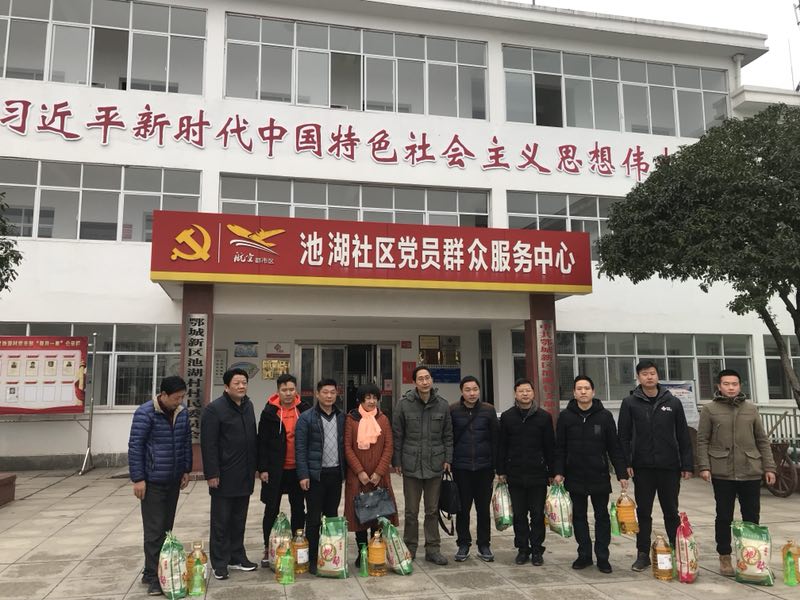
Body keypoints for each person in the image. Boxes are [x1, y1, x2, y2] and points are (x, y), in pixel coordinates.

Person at [696, 368, 776, 577]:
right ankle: (724, 556)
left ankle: (752, 559)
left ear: (740, 386)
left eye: (734, 384)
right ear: (719, 386)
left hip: (750, 470)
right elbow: (702, 440)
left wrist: (769, 467)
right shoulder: (709, 409)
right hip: (722, 471)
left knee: (751, 517)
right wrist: (704, 466)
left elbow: (762, 440)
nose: (731, 388)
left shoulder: (751, 409)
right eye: (726, 384)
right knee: (724, 516)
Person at [618, 360, 693, 572]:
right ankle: (642, 554)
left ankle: (678, 551)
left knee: (671, 511)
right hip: (642, 468)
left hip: (669, 467)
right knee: (643, 512)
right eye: (644, 374)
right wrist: (626, 463)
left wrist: (687, 464)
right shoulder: (630, 403)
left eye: (652, 373)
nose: (649, 377)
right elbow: (623, 436)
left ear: (657, 376)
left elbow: (683, 435)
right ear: (638, 378)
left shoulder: (673, 403)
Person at [553, 375, 629, 574]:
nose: (583, 391)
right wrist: (558, 472)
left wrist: (621, 473)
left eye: (587, 388)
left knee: (601, 516)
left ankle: (603, 556)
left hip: (599, 474)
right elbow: (560, 447)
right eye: (579, 388)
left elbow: (614, 447)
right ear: (574, 393)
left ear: (593, 392)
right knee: (579, 516)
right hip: (575, 474)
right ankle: (584, 554)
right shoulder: (566, 417)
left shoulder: (604, 416)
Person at [128, 376, 192, 596]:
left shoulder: (182, 413)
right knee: (154, 531)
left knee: (166, 528)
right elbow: (135, 446)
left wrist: (186, 469)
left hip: (173, 479)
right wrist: (138, 478)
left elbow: (186, 442)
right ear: (163, 395)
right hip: (152, 481)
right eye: (176, 398)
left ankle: (154, 571)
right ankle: (155, 578)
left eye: (182, 397)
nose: (179, 401)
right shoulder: (145, 413)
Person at [200, 368, 258, 580]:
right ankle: (220, 562)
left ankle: (237, 557)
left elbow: (253, 437)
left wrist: (257, 467)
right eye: (237, 383)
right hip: (223, 475)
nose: (242, 386)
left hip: (245, 474)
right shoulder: (214, 409)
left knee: (239, 519)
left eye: (244, 382)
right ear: (226, 387)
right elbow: (209, 444)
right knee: (221, 522)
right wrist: (212, 473)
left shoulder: (248, 405)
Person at [392, 366, 453, 566]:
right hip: (411, 464)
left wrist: (448, 458)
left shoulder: (442, 405)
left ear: (431, 380)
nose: (425, 382)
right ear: (414, 382)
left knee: (432, 510)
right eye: (420, 379)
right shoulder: (404, 404)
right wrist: (397, 461)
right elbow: (397, 435)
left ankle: (433, 549)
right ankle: (409, 548)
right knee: (411, 511)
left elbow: (448, 435)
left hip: (435, 464)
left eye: (427, 378)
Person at [497, 378, 554, 567]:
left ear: (533, 393)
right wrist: (501, 470)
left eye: (528, 390)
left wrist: (553, 471)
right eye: (521, 391)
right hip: (515, 474)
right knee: (519, 515)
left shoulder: (544, 417)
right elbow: (502, 445)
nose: (525, 394)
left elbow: (550, 446)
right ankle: (523, 549)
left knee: (537, 514)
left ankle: (537, 549)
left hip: (538, 474)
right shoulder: (507, 417)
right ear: (515, 394)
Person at [257, 373, 311, 568]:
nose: (288, 393)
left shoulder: (304, 410)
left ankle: (297, 545)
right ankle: (268, 547)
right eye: (284, 390)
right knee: (271, 509)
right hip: (274, 470)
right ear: (278, 391)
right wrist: (262, 468)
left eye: (291, 389)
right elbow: (261, 441)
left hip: (298, 469)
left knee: (298, 509)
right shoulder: (269, 412)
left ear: (296, 390)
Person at [343, 383, 398, 567]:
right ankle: (362, 552)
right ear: (361, 400)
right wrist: (360, 472)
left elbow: (388, 447)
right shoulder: (351, 419)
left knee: (378, 515)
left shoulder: (383, 419)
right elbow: (347, 448)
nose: (372, 401)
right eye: (368, 398)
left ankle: (376, 550)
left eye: (374, 398)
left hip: (378, 477)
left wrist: (378, 472)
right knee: (360, 516)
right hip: (357, 477)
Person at [295, 378, 346, 575]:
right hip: (315, 476)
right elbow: (300, 448)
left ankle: (330, 556)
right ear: (317, 394)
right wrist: (303, 474)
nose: (329, 396)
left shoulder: (341, 417)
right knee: (314, 518)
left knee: (331, 517)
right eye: (325, 392)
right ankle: (313, 558)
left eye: (332, 392)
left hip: (335, 474)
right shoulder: (306, 418)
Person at [450, 375, 498, 563]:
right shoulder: (453, 410)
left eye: (475, 389)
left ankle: (484, 544)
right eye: (468, 390)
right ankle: (463, 544)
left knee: (483, 509)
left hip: (484, 468)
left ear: (479, 390)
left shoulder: (488, 410)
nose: (472, 393)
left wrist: (496, 466)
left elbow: (495, 439)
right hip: (461, 468)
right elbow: (449, 437)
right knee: (463, 509)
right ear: (462, 391)